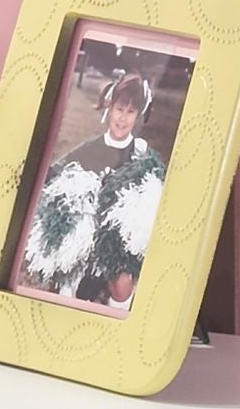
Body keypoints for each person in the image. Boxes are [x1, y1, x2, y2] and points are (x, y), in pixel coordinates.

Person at [16, 63, 167, 309]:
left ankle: (116, 316)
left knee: (122, 287)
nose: (122, 117)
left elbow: (152, 196)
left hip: (114, 242)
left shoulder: (140, 152)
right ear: (109, 107)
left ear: (138, 115)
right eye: (119, 109)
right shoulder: (89, 149)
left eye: (130, 112)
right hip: (84, 238)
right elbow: (52, 177)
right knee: (69, 291)